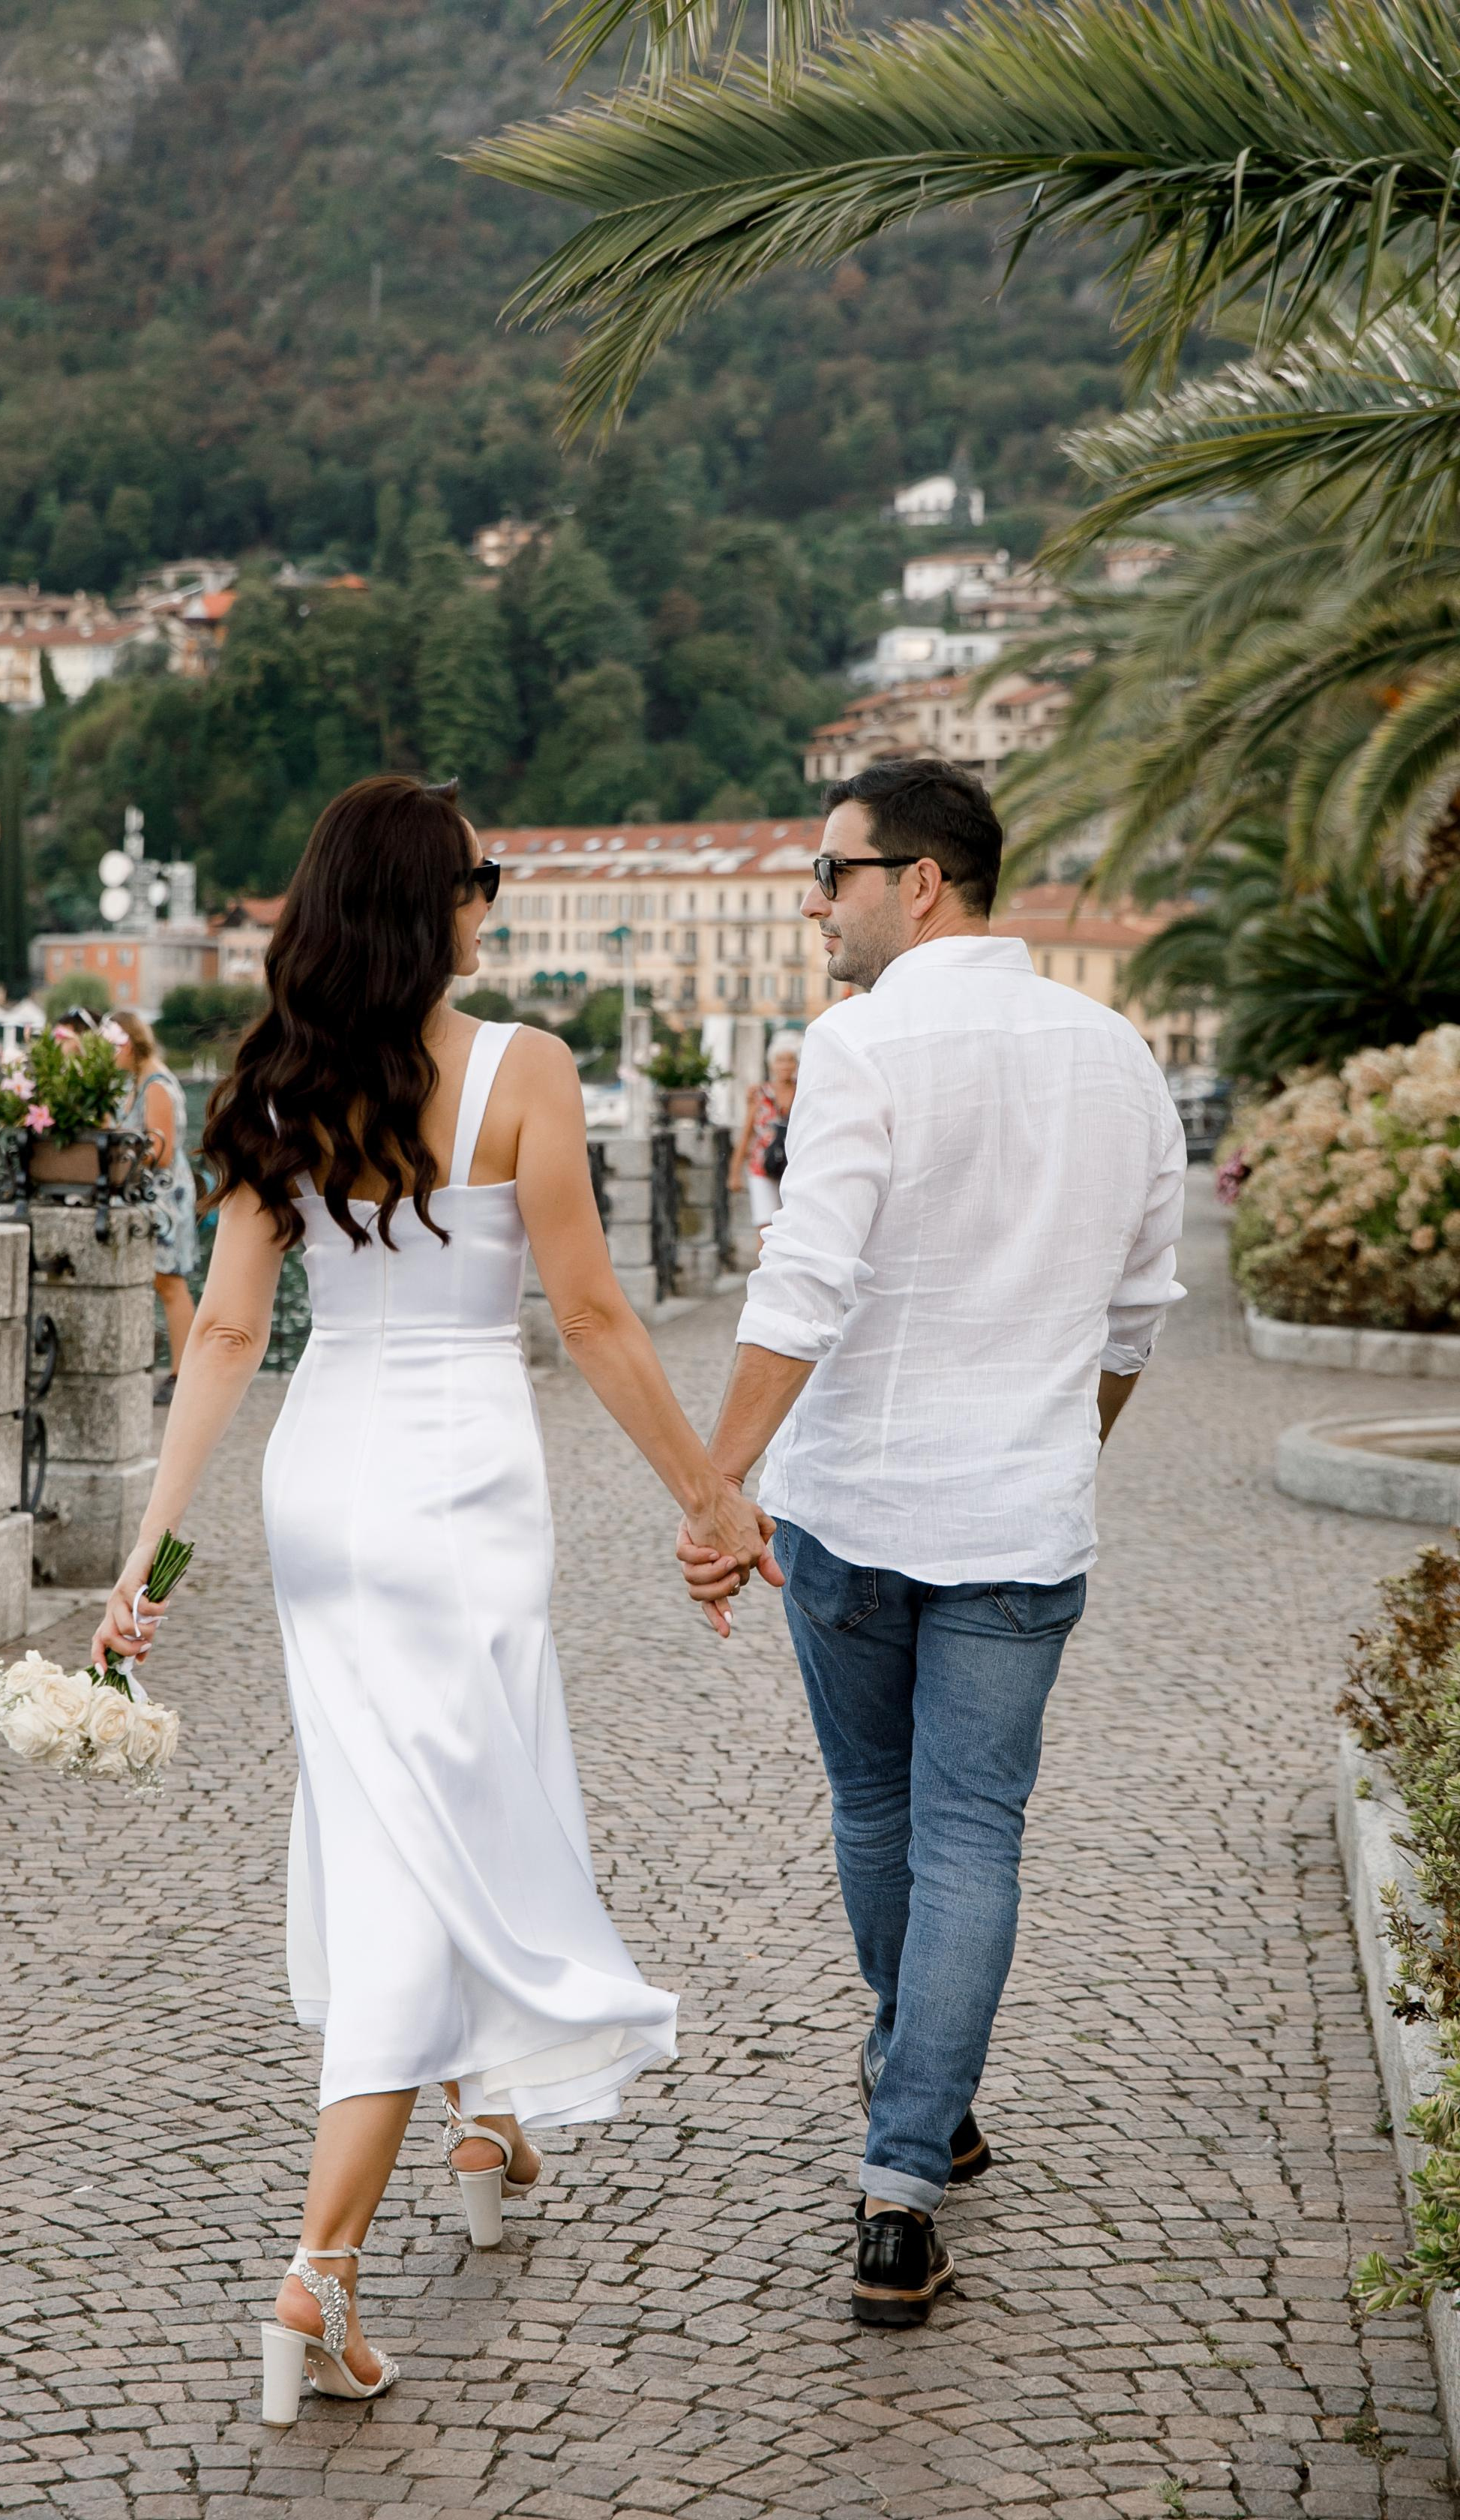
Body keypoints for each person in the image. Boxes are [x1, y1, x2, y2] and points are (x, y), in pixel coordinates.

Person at [92, 774, 773, 2422]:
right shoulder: (523, 1070)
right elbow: (593, 1318)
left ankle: (483, 2119)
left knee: (404, 1804)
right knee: (426, 1829)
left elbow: (227, 1336)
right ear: (431, 903)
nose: (492, 900)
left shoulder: (274, 1079)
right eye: (481, 877)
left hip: (322, 1490)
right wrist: (708, 1497)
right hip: (461, 1490)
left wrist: (147, 1563)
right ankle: (318, 2271)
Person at [679, 757, 1185, 2332]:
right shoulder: (1119, 1056)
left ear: (919, 881)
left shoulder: (860, 1043)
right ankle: (908, 2174)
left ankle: (912, 2103)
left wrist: (717, 1486)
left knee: (880, 1809)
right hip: (1018, 1520)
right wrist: (1059, 1450)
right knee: (972, 1835)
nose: (813, 906)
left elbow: (804, 1281)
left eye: (831, 875)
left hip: (856, 1504)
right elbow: (1138, 1313)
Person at [112, 1010, 198, 1403]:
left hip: (164, 1197)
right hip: (148, 1196)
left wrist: (118, 1158)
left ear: (129, 1044)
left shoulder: (156, 1084)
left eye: (113, 1047)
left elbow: (160, 1151)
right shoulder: (139, 1081)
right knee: (161, 1281)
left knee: (170, 1282)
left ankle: (184, 1374)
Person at [727, 1036, 800, 1229]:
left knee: (792, 1225)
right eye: (780, 1060)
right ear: (772, 1064)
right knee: (765, 1224)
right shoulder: (759, 1094)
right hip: (762, 1165)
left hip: (794, 1166)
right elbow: (747, 1134)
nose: (785, 1066)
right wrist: (735, 1172)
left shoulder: (803, 1092)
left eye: (790, 1060)